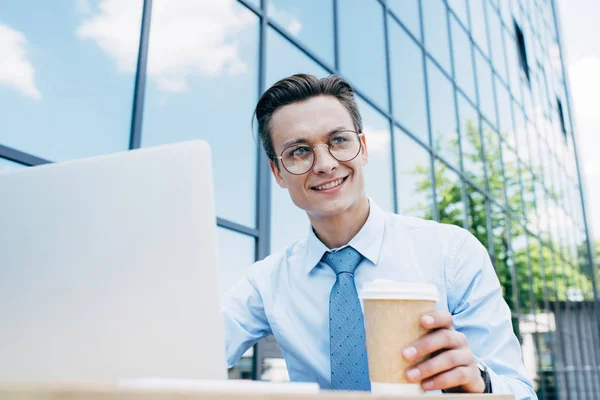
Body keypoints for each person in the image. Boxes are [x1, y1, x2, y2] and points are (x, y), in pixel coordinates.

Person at [221, 73, 537, 399]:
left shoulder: (453, 253)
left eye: (339, 140)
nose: (325, 164)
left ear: (363, 149)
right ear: (278, 173)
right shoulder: (267, 282)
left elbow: (521, 393)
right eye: (299, 151)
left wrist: (480, 383)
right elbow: (191, 355)